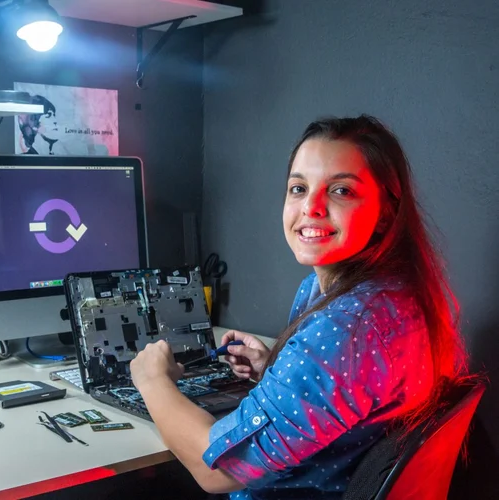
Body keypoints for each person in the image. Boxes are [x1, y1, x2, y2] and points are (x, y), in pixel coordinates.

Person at [129, 115, 468, 499]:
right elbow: (351, 392)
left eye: (341, 190)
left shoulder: (347, 329)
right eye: (298, 188)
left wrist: (151, 380)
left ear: (386, 213)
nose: (312, 207)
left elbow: (218, 472)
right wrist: (276, 367)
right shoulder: (395, 295)